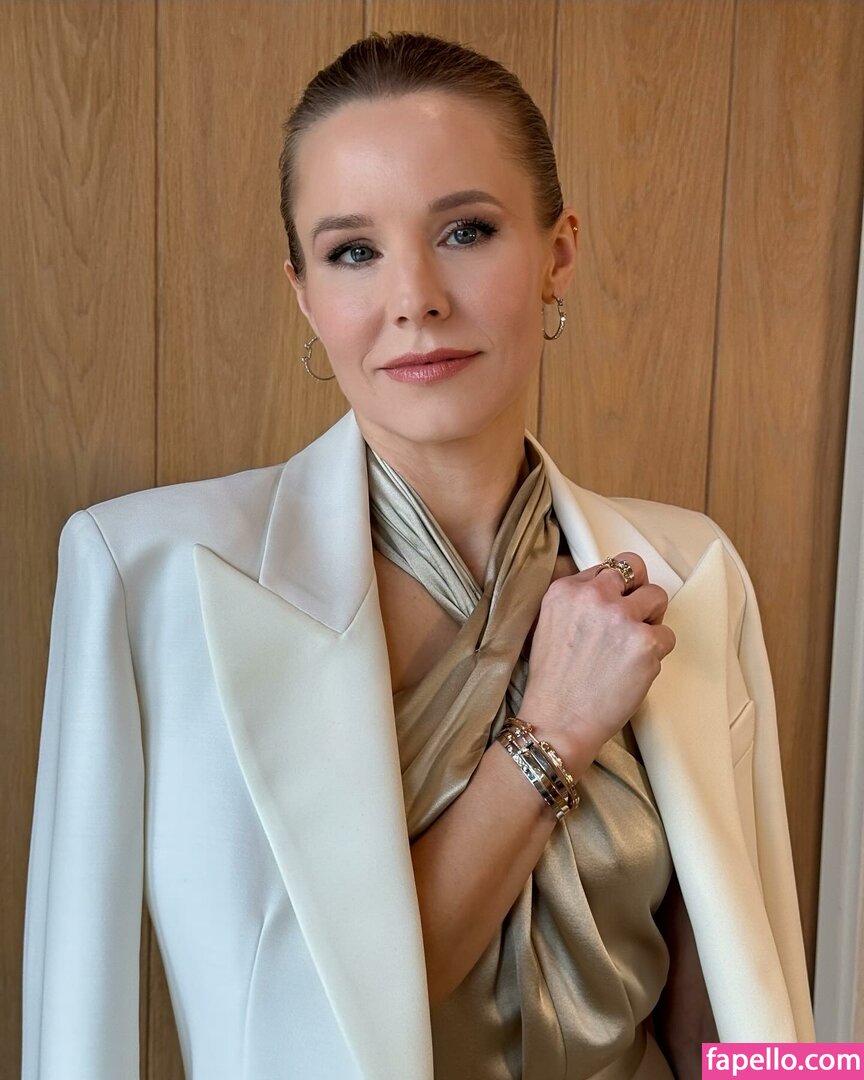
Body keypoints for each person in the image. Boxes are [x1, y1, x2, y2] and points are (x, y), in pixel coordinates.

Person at [22, 29, 814, 1080]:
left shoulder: (690, 569)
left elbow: (753, 991)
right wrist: (551, 732)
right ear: (304, 291)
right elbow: (103, 1023)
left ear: (558, 252)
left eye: (467, 231)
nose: (415, 299)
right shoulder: (151, 576)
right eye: (354, 251)